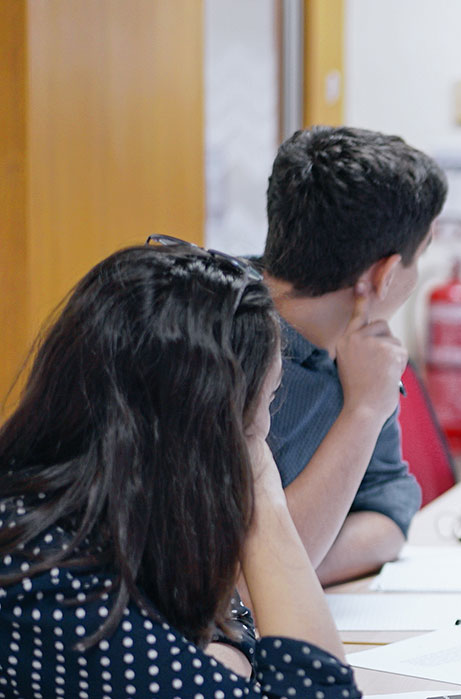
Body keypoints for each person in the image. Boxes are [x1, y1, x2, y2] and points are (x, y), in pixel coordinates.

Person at [0, 242, 358, 697]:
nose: (264, 432)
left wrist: (228, 652)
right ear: (209, 427)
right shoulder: (48, 580)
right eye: (266, 403)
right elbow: (320, 692)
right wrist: (262, 488)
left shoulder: (102, 508)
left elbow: (228, 613)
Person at [260, 125, 447, 585]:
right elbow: (230, 579)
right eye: (418, 256)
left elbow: (387, 509)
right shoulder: (215, 344)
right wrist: (363, 410)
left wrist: (287, 574)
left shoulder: (362, 351)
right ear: (383, 275)